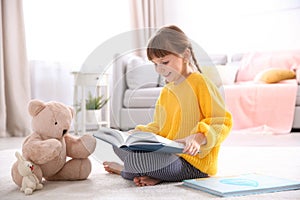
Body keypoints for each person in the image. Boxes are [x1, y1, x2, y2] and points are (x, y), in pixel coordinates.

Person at [103, 25, 232, 187]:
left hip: (194, 163)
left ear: (185, 55)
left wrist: (198, 138)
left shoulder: (200, 83)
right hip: (169, 155)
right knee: (119, 147)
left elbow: (222, 121)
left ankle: (126, 171)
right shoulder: (167, 90)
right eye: (155, 64)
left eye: (164, 62)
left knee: (137, 161)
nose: (160, 69)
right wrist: (135, 134)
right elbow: (159, 126)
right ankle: (149, 173)